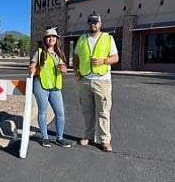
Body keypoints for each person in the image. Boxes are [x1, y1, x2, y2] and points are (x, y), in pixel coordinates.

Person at [73, 12, 119, 152]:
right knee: (87, 111)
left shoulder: (108, 38)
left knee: (103, 111)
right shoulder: (81, 39)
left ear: (100, 24)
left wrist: (103, 61)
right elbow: (76, 56)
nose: (93, 25)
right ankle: (89, 136)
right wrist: (75, 71)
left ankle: (105, 140)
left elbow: (115, 58)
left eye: (95, 22)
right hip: (85, 80)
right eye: (90, 22)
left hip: (102, 80)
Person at [28, 28, 71, 148]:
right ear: (45, 40)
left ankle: (60, 138)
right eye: (48, 37)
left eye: (53, 36)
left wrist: (63, 70)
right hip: (41, 85)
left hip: (56, 87)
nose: (50, 38)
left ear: (57, 39)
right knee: (43, 111)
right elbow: (31, 66)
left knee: (60, 113)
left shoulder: (60, 54)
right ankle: (45, 137)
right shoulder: (40, 52)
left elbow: (64, 69)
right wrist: (32, 69)